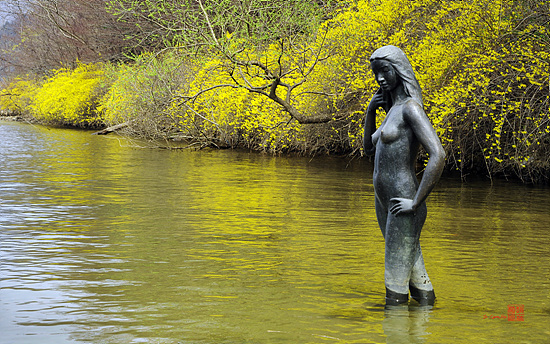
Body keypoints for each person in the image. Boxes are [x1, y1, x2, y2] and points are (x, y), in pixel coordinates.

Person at [363, 45, 445, 306]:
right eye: (376, 73)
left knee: (395, 281)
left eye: (385, 71)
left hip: (404, 202)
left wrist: (416, 202)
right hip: (385, 201)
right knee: (414, 273)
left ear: (399, 69)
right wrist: (370, 111)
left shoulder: (411, 108)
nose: (380, 78)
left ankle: (395, 328)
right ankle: (424, 321)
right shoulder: (392, 110)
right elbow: (368, 147)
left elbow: (438, 155)